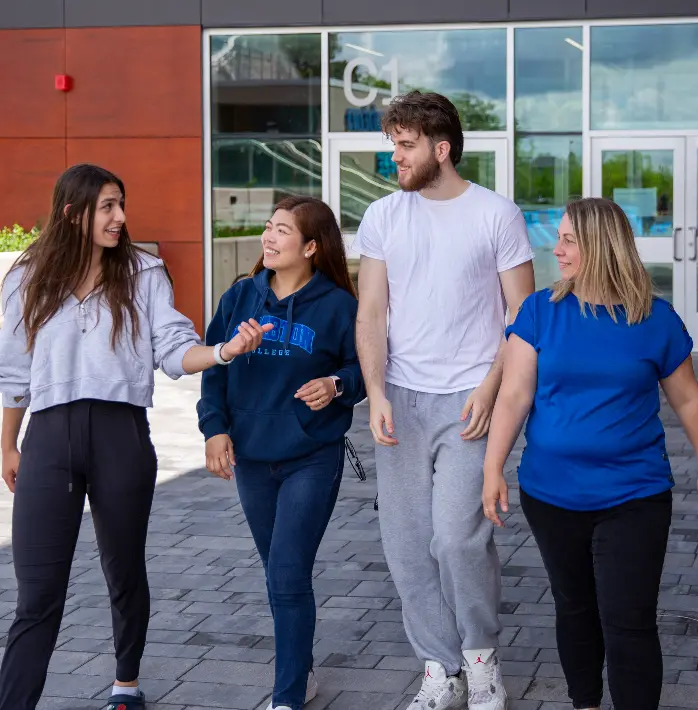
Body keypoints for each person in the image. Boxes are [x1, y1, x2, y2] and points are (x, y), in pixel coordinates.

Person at [0, 164, 264, 710]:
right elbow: (15, 372)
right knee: (37, 594)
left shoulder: (144, 273)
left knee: (123, 568)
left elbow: (173, 348)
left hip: (120, 435)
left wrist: (223, 352)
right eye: (107, 207)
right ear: (73, 213)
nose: (120, 217)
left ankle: (126, 685)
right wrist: (8, 443)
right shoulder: (27, 277)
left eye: (122, 205)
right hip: (49, 439)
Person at [482, 198, 698, 710]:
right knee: (575, 608)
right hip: (551, 493)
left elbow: (689, 397)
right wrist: (492, 467)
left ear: (601, 247)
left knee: (628, 619)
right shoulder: (540, 311)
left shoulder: (655, 319)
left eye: (568, 240)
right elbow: (515, 394)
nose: (555, 249)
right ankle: (584, 703)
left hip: (635, 494)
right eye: (557, 238)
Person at [355, 90, 535, 710]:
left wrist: (492, 386)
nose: (395, 159)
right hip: (401, 397)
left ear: (442, 148)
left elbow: (522, 318)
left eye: (405, 147)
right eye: (393, 146)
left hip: (471, 401)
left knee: (457, 538)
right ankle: (440, 666)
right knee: (406, 543)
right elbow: (372, 310)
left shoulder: (495, 214)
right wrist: (375, 391)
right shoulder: (383, 216)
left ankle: (480, 658)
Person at [197, 196, 366, 710]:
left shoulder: (339, 305)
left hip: (312, 455)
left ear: (312, 247)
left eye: (282, 231)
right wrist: (213, 430)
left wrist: (336, 384)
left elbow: (365, 370)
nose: (268, 237)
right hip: (251, 456)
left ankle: (288, 695)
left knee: (289, 570)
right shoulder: (240, 297)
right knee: (277, 572)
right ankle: (303, 669)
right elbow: (213, 367)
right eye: (268, 228)